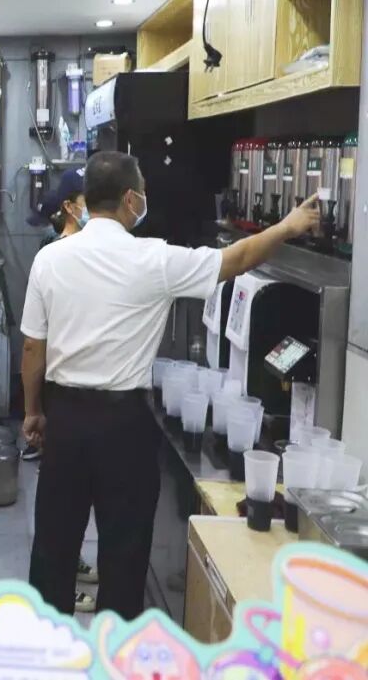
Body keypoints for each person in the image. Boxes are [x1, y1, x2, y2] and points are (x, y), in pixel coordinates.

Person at [21, 151, 320, 619]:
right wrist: (287, 226)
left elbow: (32, 349)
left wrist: (34, 411)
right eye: (142, 191)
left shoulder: (50, 260)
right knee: (124, 553)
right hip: (125, 426)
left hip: (67, 421)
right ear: (129, 199)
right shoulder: (154, 259)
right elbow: (237, 259)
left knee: (54, 547)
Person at [24, 167, 100, 615]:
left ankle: (71, 567)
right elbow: (36, 343)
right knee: (65, 503)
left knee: (69, 499)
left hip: (70, 392)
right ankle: (63, 582)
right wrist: (34, 407)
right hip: (67, 389)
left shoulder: (80, 254)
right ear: (73, 207)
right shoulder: (55, 254)